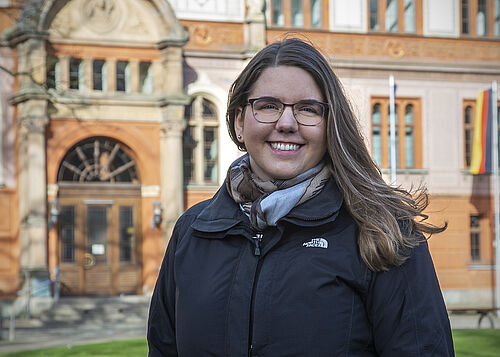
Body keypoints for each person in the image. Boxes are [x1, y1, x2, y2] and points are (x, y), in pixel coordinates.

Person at [147, 38, 454, 356]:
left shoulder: (383, 231)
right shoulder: (193, 231)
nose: (286, 123)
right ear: (240, 121)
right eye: (268, 106)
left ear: (330, 124)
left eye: (308, 109)